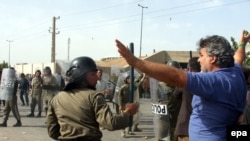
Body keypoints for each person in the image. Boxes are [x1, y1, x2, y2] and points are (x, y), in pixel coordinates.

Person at [115, 30, 250, 141]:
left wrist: (136, 62)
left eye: (201, 55)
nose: (199, 60)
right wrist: (242, 44)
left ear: (213, 58)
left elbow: (175, 77)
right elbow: (238, 58)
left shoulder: (213, 81)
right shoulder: (235, 72)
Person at [46, 56, 138, 141]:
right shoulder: (94, 96)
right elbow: (111, 123)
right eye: (93, 74)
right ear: (81, 75)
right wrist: (128, 112)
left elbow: (52, 132)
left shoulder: (56, 99)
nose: (97, 78)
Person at [153, 60, 182, 141]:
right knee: (161, 137)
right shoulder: (160, 85)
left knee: (175, 137)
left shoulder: (181, 85)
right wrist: (160, 103)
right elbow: (156, 100)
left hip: (176, 117)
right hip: (164, 117)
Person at [174, 57, 201, 141]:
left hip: (184, 126)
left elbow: (175, 95)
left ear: (190, 68)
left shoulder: (186, 80)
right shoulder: (208, 80)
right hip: (200, 128)